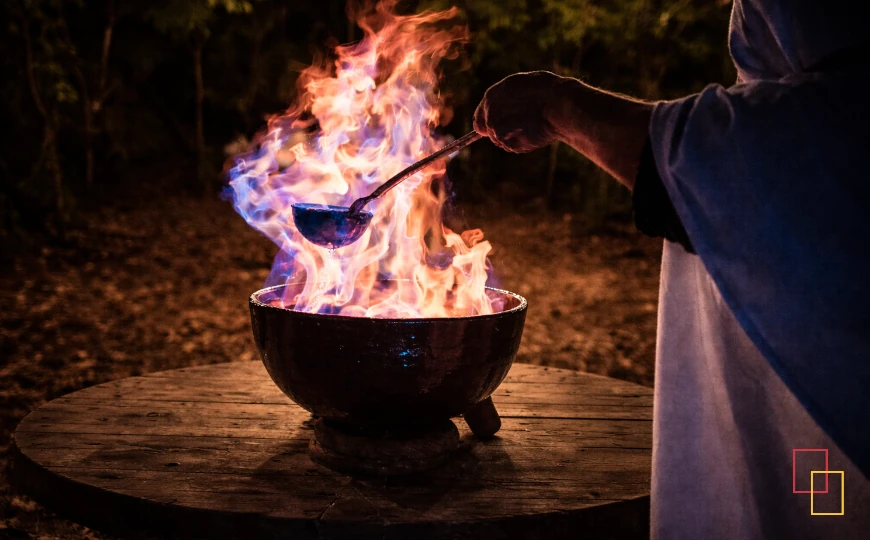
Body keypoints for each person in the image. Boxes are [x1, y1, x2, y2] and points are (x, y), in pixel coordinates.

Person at [473, 1, 870, 538]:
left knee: (834, 511)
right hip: (799, 424)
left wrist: (556, 104)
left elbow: (719, 158)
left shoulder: (837, 115)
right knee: (809, 485)